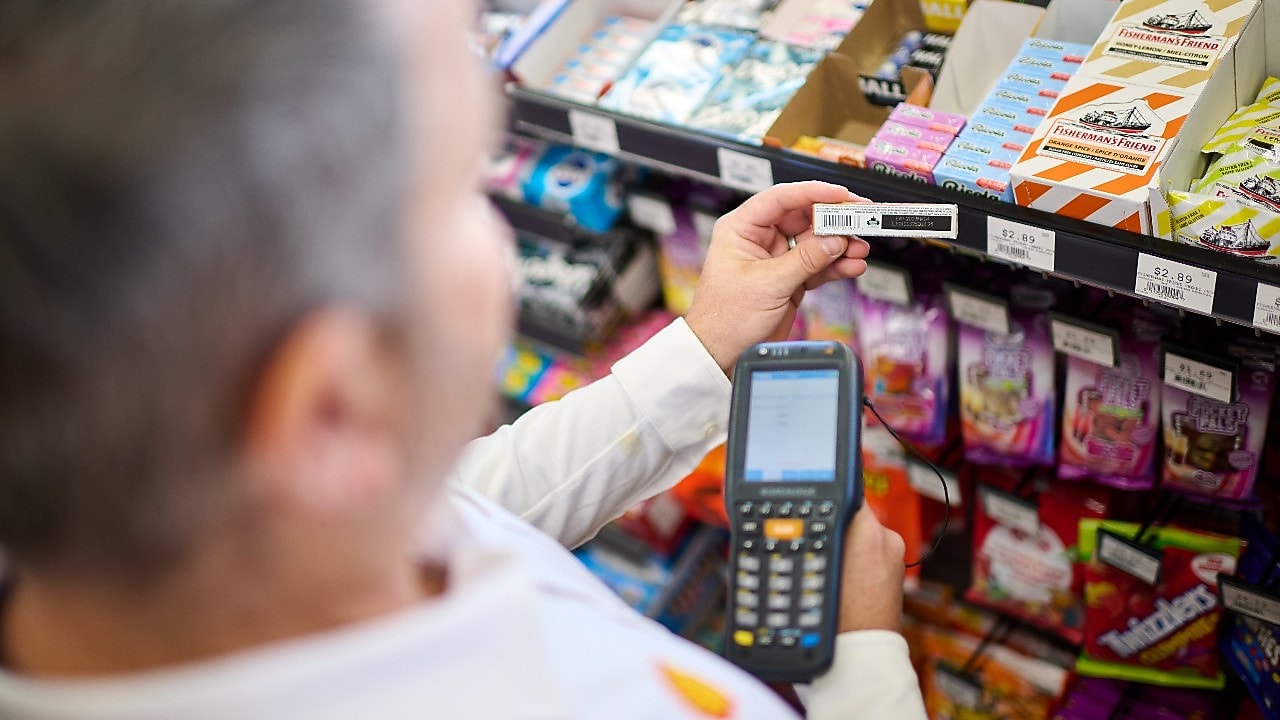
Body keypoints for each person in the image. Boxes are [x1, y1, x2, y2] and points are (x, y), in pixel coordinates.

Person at [0, 1, 928, 718]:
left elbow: (467, 507)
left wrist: (704, 346)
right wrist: (861, 663)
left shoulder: (225, 539)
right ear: (332, 406)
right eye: (462, 186)